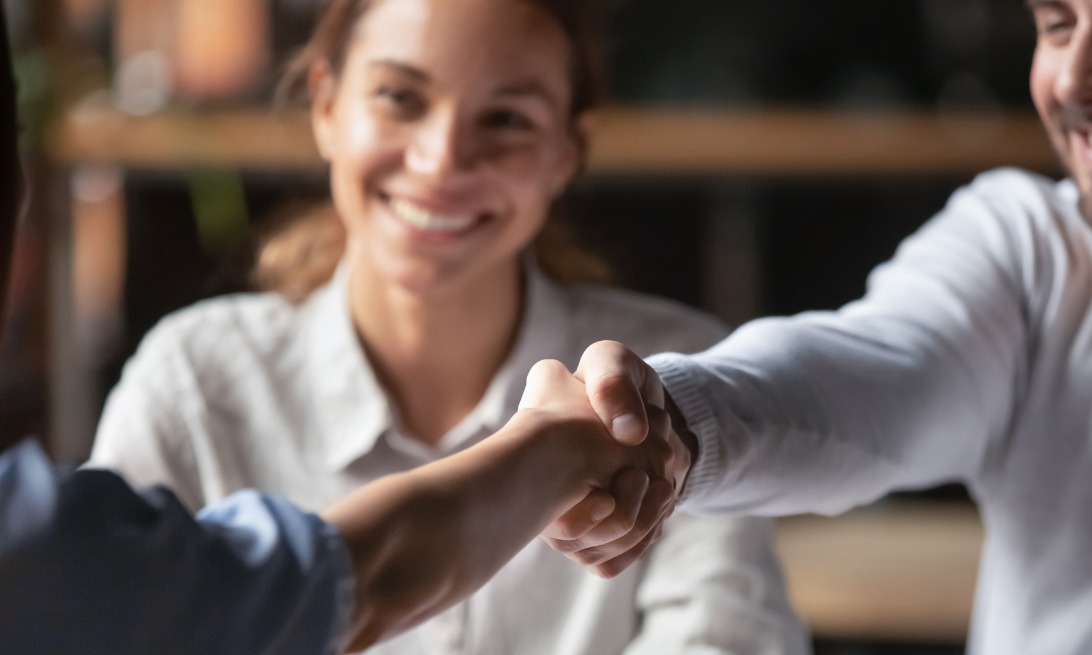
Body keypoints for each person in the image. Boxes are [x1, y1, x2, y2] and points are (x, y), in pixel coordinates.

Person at [537, 0, 1092, 653]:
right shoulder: (1027, 245)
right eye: (1056, 23)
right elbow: (864, 376)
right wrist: (673, 422)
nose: (1078, 78)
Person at [88, 0, 807, 653]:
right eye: (400, 97)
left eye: (506, 120)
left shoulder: (673, 380)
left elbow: (727, 638)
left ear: (567, 150)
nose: (441, 162)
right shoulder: (193, 382)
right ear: (327, 106)